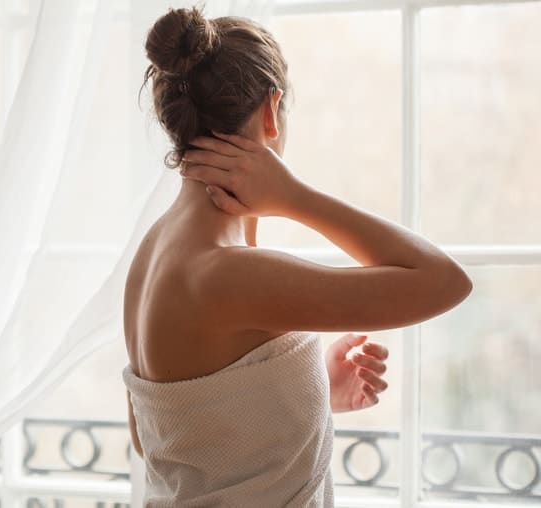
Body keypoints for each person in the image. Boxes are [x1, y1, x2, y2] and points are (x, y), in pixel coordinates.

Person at [122, 4, 472, 507]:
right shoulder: (229, 273)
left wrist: (314, 391)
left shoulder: (151, 254)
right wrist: (294, 196)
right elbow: (444, 280)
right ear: (270, 111)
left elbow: (167, 440)